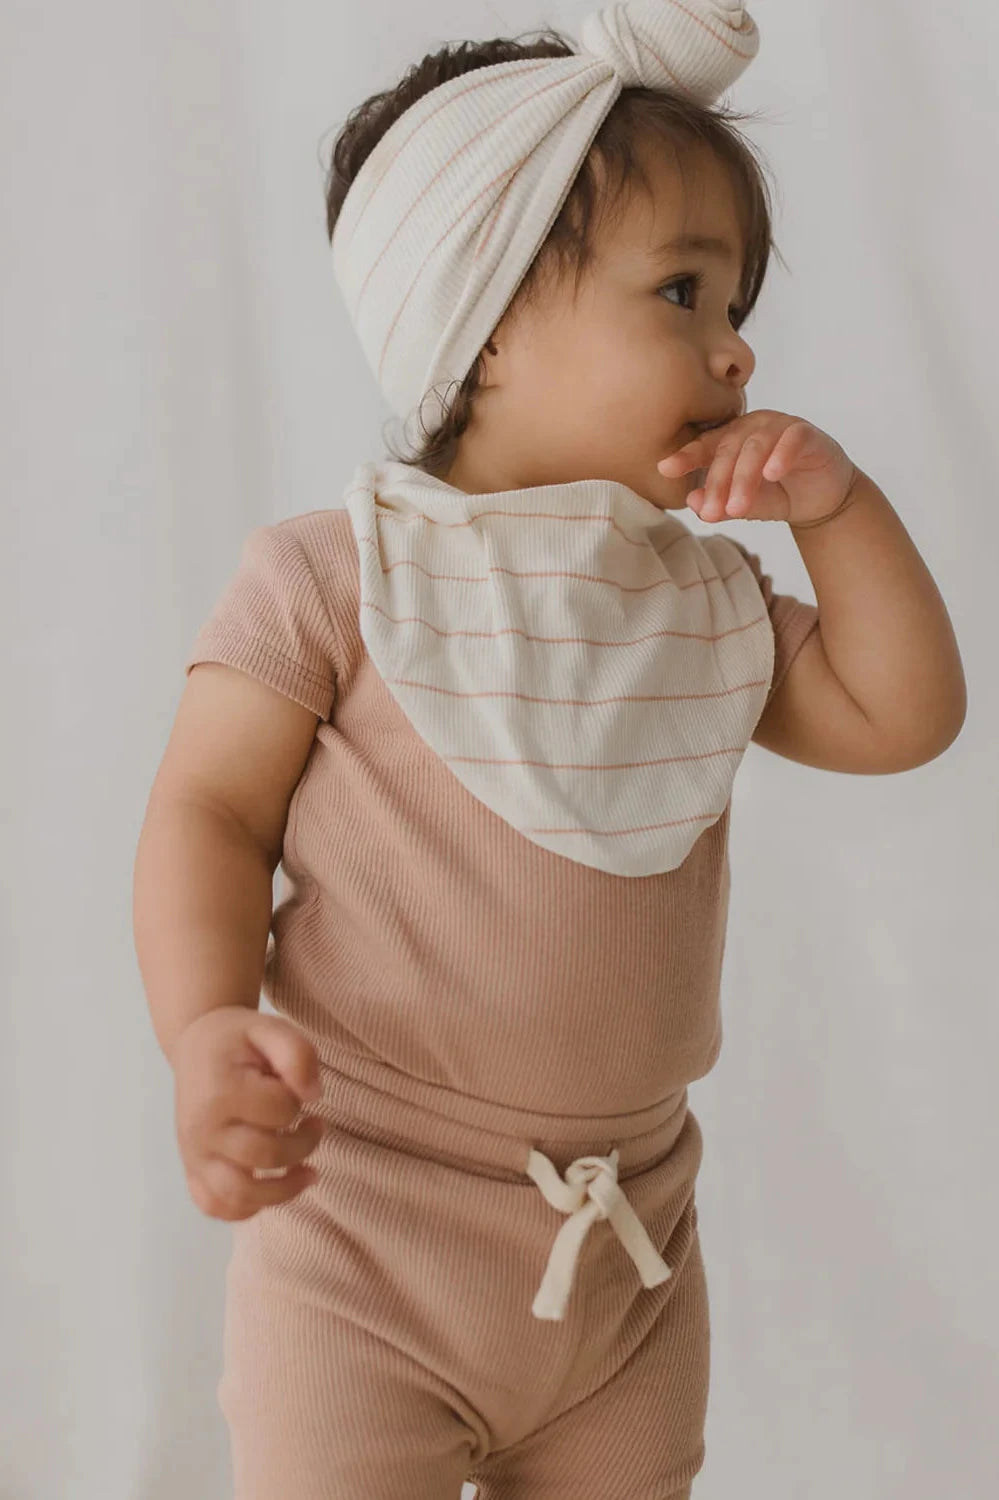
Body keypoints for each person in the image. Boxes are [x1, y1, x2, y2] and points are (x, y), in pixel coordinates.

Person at [132, 4, 966, 1497]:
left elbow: (901, 716)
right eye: (684, 294)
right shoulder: (340, 577)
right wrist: (204, 1026)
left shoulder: (699, 605)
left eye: (737, 304)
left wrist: (843, 518)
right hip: (363, 1234)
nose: (737, 348)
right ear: (490, 320)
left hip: (625, 1249)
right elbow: (205, 810)